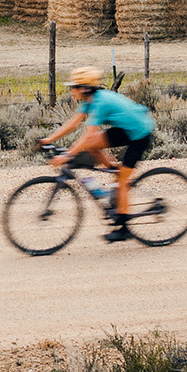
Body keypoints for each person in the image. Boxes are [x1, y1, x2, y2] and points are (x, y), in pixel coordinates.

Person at [44, 67, 154, 242]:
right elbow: (73, 123)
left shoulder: (100, 102)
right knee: (91, 147)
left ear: (84, 88)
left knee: (123, 180)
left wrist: (67, 155)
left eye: (74, 87)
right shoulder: (89, 100)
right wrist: (47, 139)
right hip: (126, 128)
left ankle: (124, 228)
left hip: (140, 133)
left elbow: (87, 134)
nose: (71, 91)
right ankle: (114, 171)